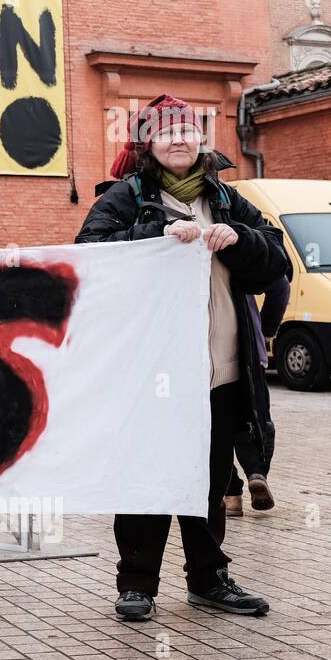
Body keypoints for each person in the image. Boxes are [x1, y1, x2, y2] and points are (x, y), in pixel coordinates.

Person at [78, 93, 288, 622]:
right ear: (147, 142)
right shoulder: (123, 198)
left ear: (201, 140)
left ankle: (208, 578)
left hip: (219, 370)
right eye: (166, 131)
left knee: (210, 479)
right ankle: (137, 585)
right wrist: (154, 234)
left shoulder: (227, 198)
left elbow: (276, 261)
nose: (179, 139)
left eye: (187, 130)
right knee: (145, 475)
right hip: (150, 372)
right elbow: (88, 262)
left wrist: (238, 238)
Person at [225, 277, 290, 515]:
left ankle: (231, 495)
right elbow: (280, 286)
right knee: (254, 417)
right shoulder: (243, 248)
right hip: (250, 351)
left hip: (205, 355)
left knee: (214, 428)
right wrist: (265, 331)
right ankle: (257, 473)